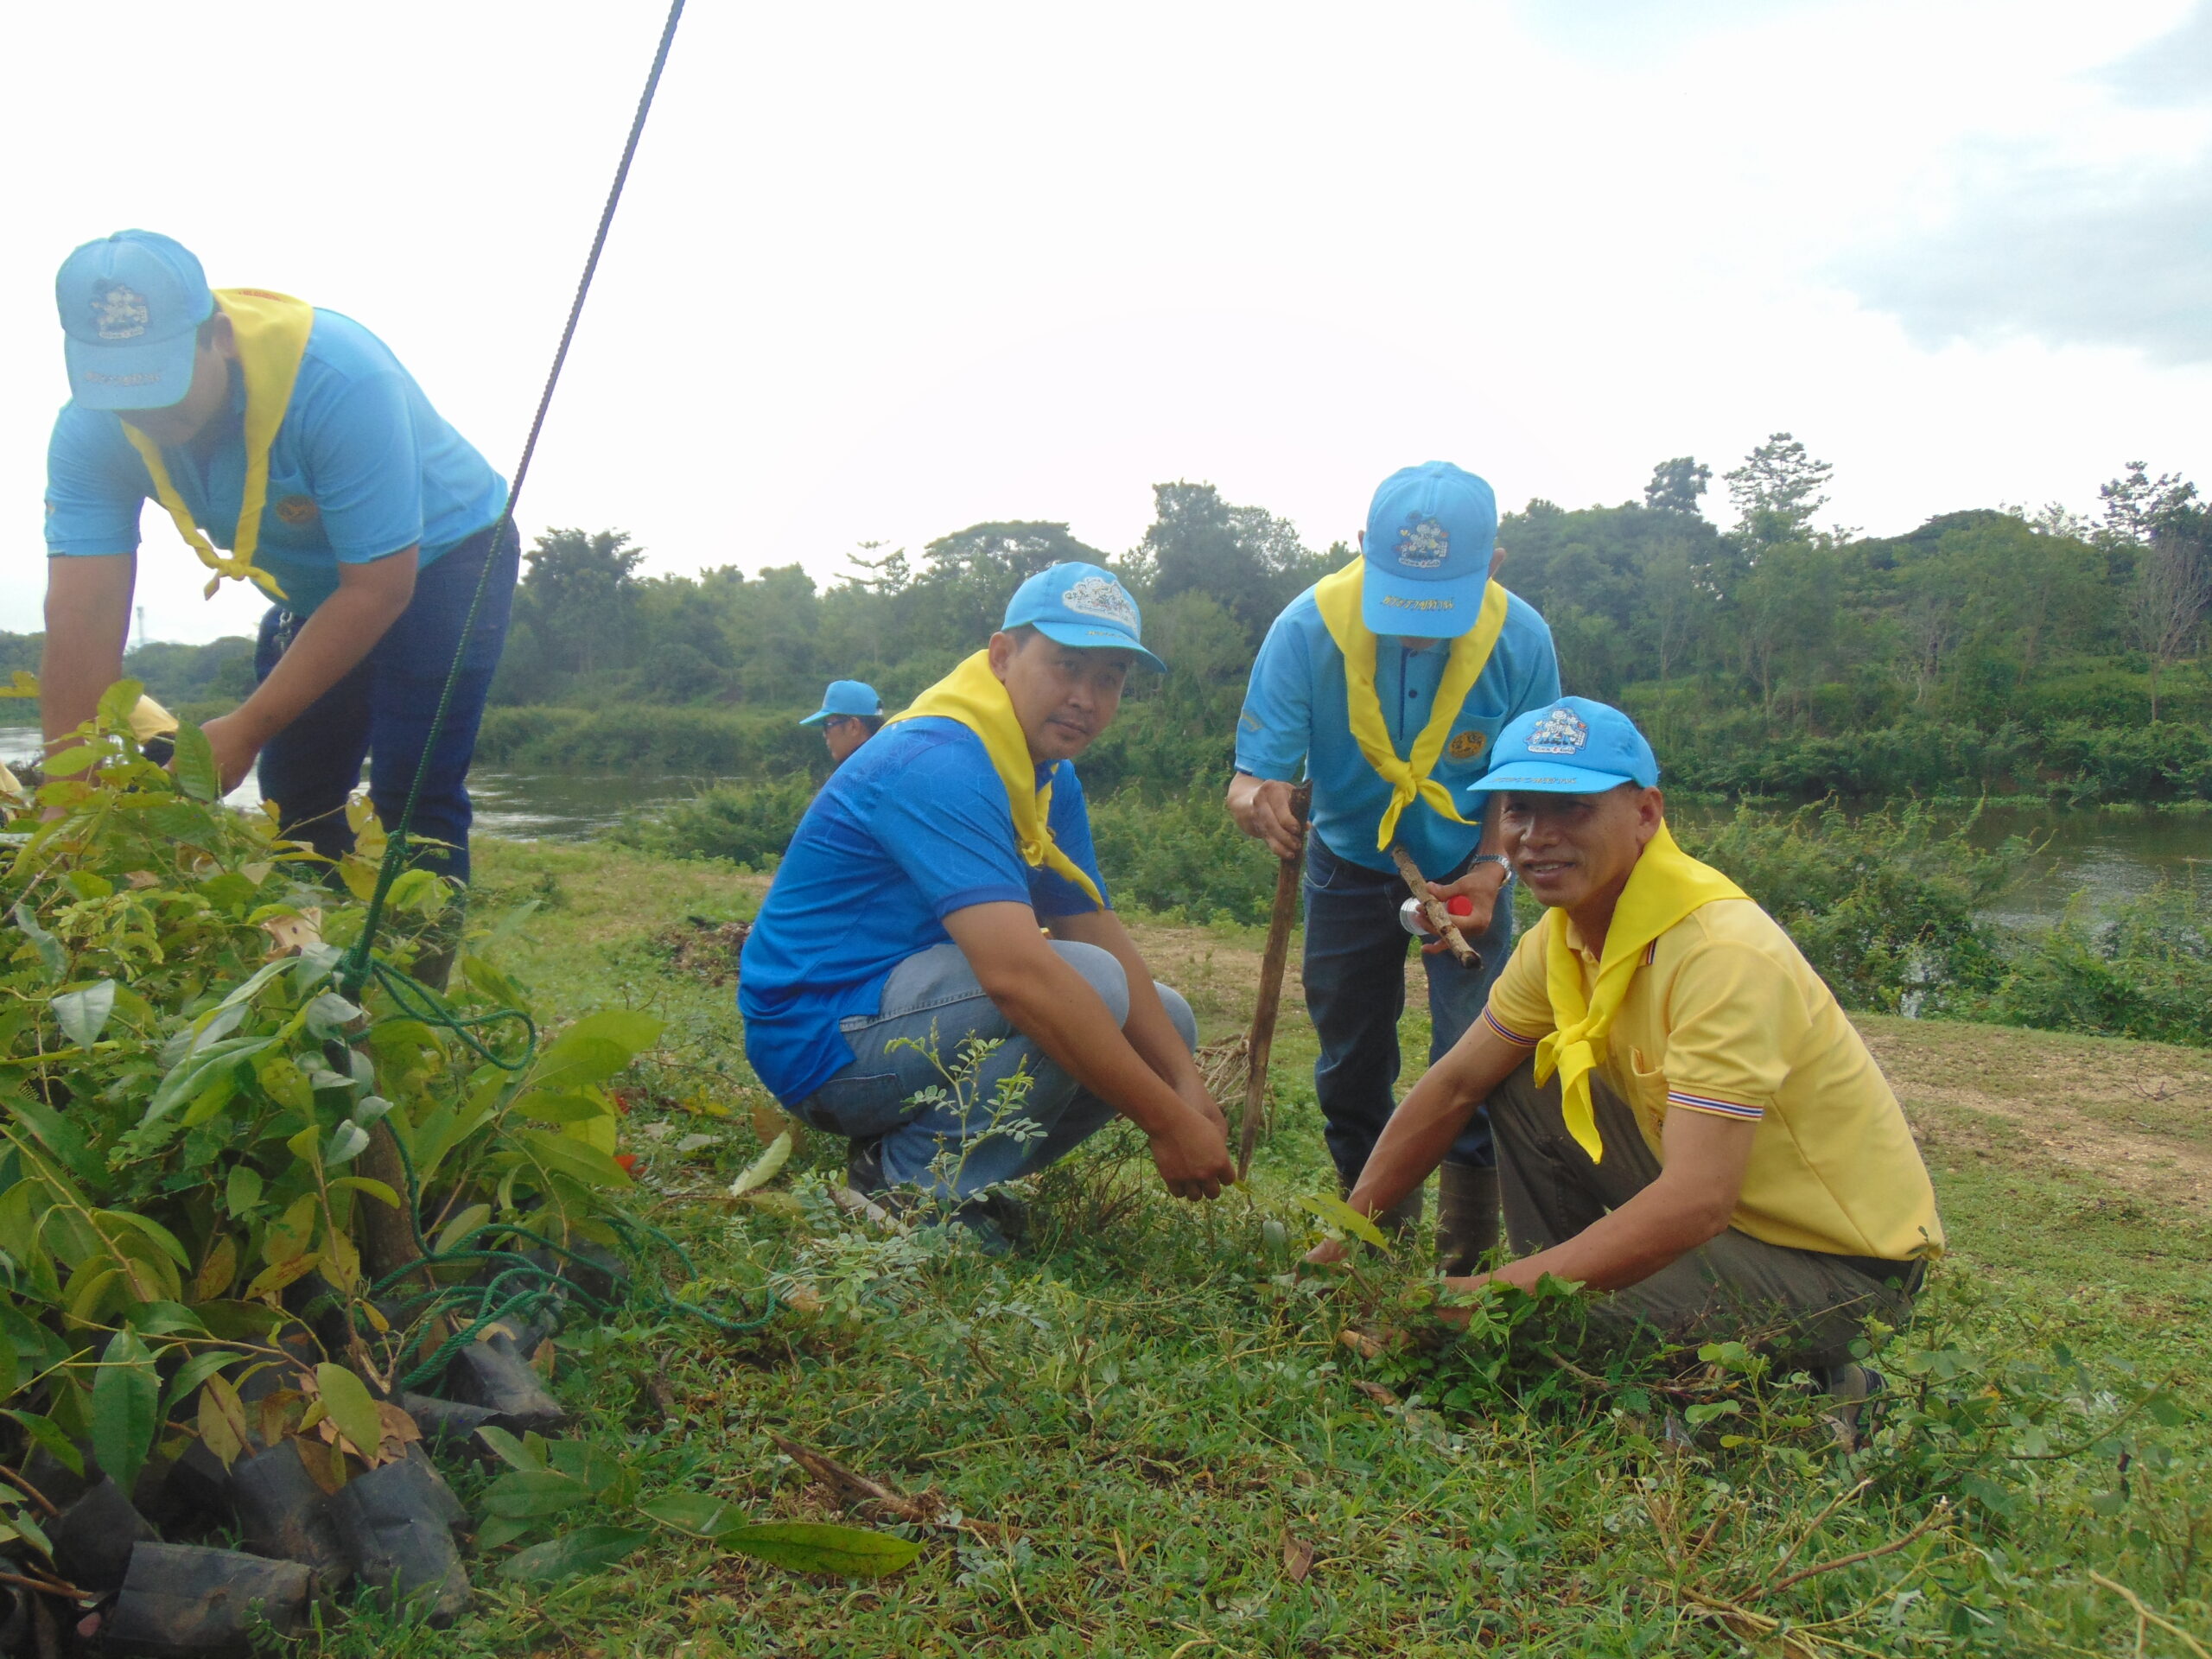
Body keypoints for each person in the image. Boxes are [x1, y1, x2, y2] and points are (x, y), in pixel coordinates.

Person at [1319, 697, 1944, 1399]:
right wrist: (1349, 1233)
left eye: (1572, 809)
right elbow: (1455, 1086)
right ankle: (1560, 1307)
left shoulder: (1722, 954)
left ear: (1646, 813)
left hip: (1837, 1270)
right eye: (1519, 810)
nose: (1537, 837)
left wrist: (1490, 1296)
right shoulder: (1561, 937)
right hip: (1724, 1223)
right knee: (1523, 1079)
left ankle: (1829, 1393)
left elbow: (1697, 1201)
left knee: (1524, 1326)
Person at [740, 563, 1234, 1241]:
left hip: (906, 1013)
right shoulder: (938, 760)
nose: (1086, 698)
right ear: (1002, 656)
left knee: (1166, 1021)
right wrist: (1167, 1122)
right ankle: (908, 1188)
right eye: (1066, 666)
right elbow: (1017, 978)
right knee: (1083, 984)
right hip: (822, 1042)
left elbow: (1089, 923)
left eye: (1110, 678)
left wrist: (1185, 1083)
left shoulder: (1046, 776)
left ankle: (942, 1168)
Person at [41, 230, 512, 890]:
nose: (145, 408)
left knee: (411, 789)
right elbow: (81, 614)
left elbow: (377, 589)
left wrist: (244, 727)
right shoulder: (89, 431)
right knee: (295, 792)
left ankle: (417, 945)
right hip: (315, 586)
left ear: (219, 338)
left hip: (446, 556)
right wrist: (66, 807)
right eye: (120, 386)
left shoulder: (339, 379)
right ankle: (320, 946)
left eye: (161, 380)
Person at [1228, 461, 1559, 1270]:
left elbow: (1524, 784)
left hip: (1467, 865)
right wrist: (1257, 796)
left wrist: (1493, 866)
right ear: (1362, 548)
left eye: (1440, 604)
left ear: (1493, 566)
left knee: (1477, 1051)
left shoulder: (1522, 641)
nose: (1416, 632)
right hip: (1346, 858)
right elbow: (1252, 775)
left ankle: (1464, 1257)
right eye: (1400, 600)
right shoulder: (1307, 629)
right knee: (1351, 1057)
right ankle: (1373, 1236)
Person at [799, 679, 885, 765]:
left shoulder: (856, 771)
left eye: (827, 726)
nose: (824, 734)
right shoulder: (887, 760)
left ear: (853, 726)